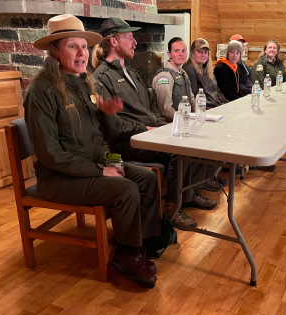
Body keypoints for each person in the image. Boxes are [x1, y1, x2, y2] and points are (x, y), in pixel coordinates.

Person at [25, 14, 160, 289]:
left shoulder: (85, 82)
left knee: (146, 179)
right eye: (72, 46)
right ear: (54, 51)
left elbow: (106, 133)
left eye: (84, 47)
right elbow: (50, 154)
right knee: (125, 189)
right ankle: (127, 255)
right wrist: (101, 171)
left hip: (92, 165)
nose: (81, 53)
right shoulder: (41, 91)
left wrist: (108, 114)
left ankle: (140, 246)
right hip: (59, 178)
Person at [92, 18, 218, 227]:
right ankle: (173, 208)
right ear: (114, 42)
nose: (134, 42)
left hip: (148, 133)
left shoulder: (132, 73)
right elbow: (112, 126)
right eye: (129, 37)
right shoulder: (102, 77)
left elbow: (151, 108)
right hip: (128, 141)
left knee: (194, 139)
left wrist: (163, 125)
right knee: (177, 151)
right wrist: (145, 128)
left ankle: (188, 194)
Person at [152, 37, 227, 192]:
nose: (181, 54)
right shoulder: (164, 77)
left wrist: (199, 116)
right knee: (201, 139)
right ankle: (191, 190)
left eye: (183, 50)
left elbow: (193, 100)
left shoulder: (183, 74)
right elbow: (165, 110)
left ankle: (201, 182)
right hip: (170, 126)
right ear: (169, 54)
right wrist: (188, 120)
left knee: (211, 132)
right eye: (176, 51)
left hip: (185, 122)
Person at [183, 38, 229, 108]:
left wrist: (225, 103)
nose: (203, 55)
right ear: (192, 52)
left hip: (218, 106)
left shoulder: (208, 69)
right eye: (199, 52)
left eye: (205, 52)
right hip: (207, 109)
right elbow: (193, 97)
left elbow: (217, 91)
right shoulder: (189, 69)